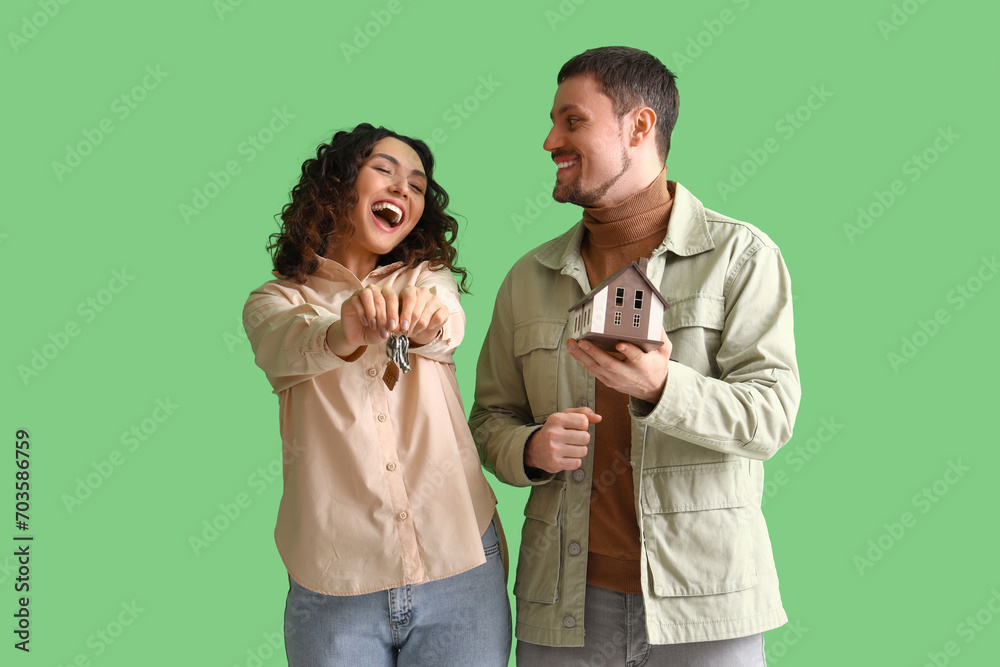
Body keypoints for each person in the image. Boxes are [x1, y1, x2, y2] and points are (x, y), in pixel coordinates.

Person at [470, 47, 800, 666]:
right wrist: (531, 450)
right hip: (562, 605)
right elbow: (488, 420)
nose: (549, 140)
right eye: (551, 121)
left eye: (573, 121)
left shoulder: (741, 257)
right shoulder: (528, 277)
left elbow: (772, 415)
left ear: (639, 127)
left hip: (705, 607)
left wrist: (661, 387)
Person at [243, 123, 511, 666]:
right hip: (335, 578)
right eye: (384, 171)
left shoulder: (428, 278)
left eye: (416, 185)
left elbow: (446, 325)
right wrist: (345, 330)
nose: (403, 190)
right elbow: (289, 346)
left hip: (460, 563)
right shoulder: (274, 302)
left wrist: (421, 321)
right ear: (339, 185)